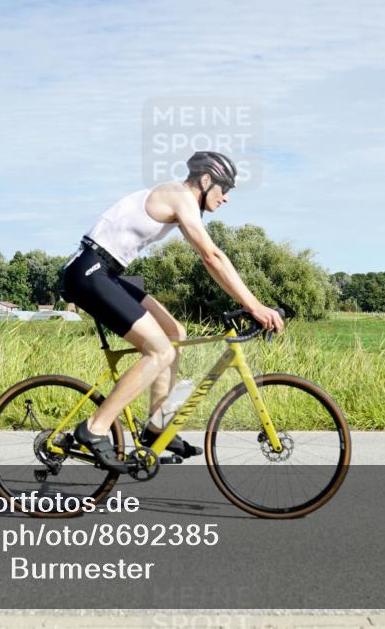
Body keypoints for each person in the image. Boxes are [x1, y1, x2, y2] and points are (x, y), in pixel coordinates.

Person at [60, 151, 285, 472]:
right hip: (89, 273)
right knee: (160, 351)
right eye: (225, 189)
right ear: (206, 180)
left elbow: (211, 258)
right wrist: (254, 305)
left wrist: (249, 301)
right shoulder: (180, 196)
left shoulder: (179, 201)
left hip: (105, 272)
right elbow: (211, 256)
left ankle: (157, 427)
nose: (226, 198)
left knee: (175, 333)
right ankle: (95, 428)